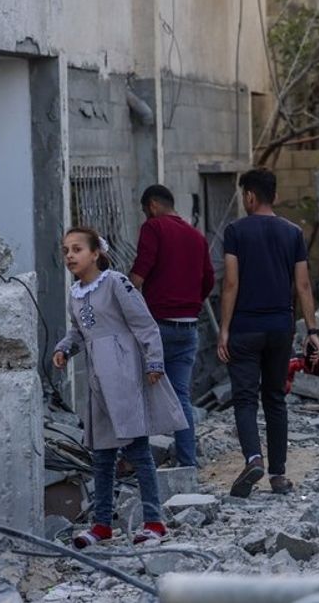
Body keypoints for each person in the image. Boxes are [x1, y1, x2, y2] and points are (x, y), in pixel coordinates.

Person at [53, 227, 188, 548]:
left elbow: (144, 323)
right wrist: (64, 348)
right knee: (102, 455)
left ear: (95, 253)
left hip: (125, 375)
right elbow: (79, 332)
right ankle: (101, 525)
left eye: (77, 249)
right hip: (98, 381)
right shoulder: (76, 293)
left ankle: (154, 522)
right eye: (66, 250)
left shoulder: (115, 282)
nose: (70, 255)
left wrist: (154, 361)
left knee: (137, 450)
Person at [217, 169, 319, 498]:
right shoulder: (292, 233)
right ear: (273, 196)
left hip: (245, 328)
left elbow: (231, 283)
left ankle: (253, 458)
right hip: (281, 327)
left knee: (245, 399)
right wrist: (312, 331)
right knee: (275, 398)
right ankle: (278, 475)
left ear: (249, 196)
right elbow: (303, 285)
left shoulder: (235, 231)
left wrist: (224, 330)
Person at [129, 184, 215, 469]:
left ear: (152, 205)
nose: (145, 217)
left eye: (144, 211)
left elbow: (139, 275)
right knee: (181, 397)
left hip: (157, 328)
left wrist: (120, 300)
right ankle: (186, 463)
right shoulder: (197, 237)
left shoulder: (154, 228)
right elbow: (208, 281)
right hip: (189, 328)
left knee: (139, 391)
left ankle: (137, 462)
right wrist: (190, 303)